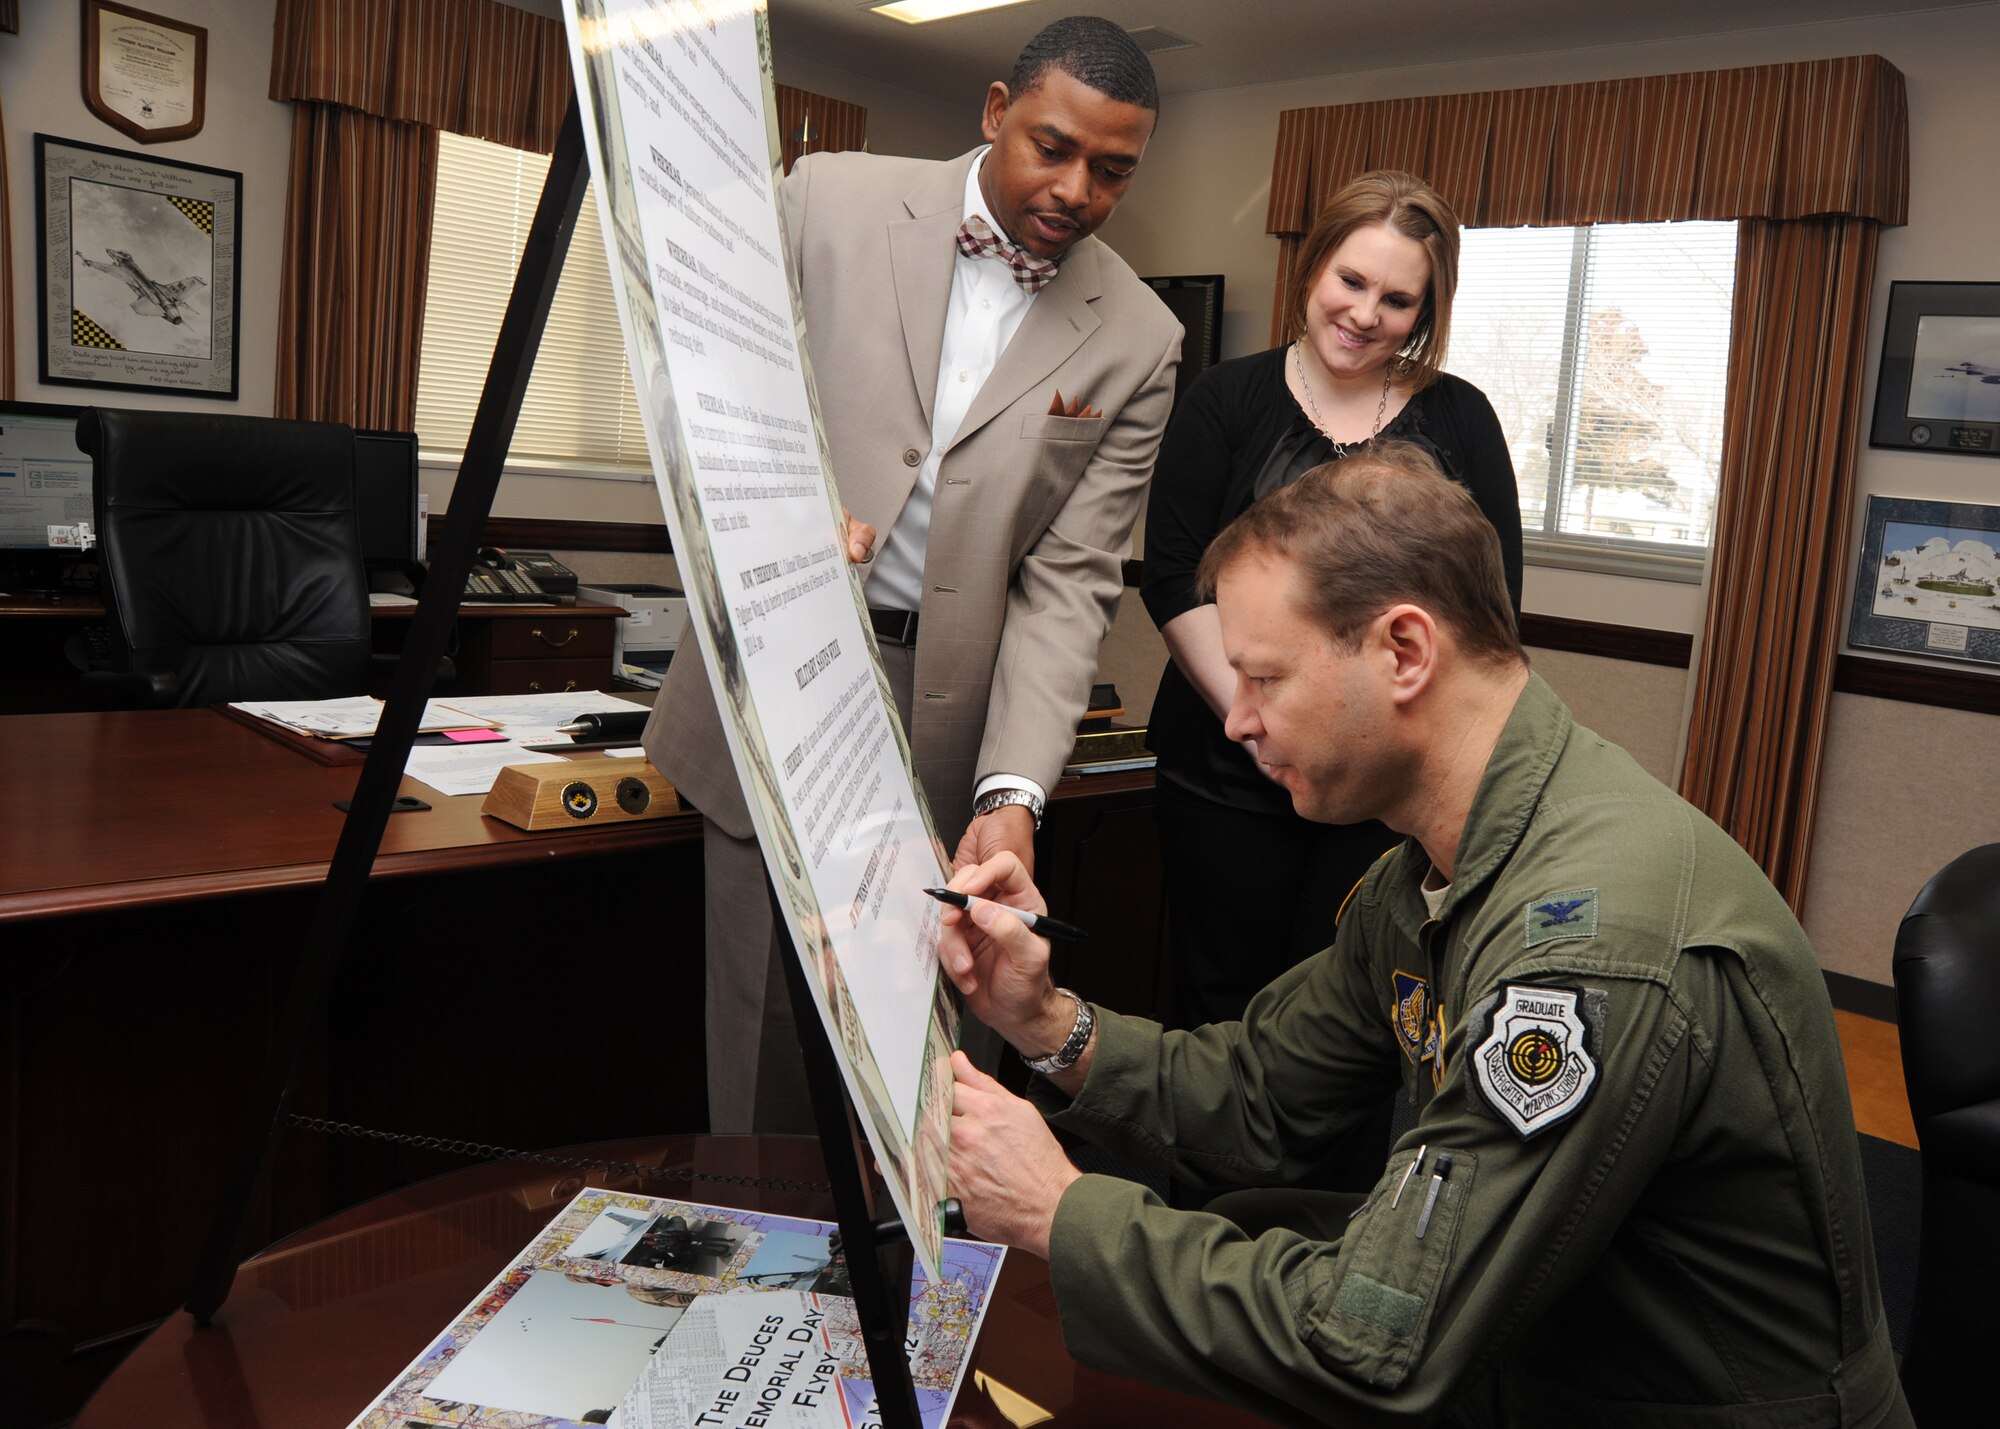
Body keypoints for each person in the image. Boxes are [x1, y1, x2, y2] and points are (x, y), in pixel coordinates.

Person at [939, 445, 1911, 1425]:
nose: (1236, 720)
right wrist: (1042, 1019)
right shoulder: (1427, 868)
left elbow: (1372, 1345)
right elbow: (1259, 1095)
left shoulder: (1587, 948)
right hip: (1553, 1354)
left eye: (1263, 677)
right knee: (1248, 1232)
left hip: (1674, 1404)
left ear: (1404, 651)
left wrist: (1061, 1212)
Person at [641, 16, 1183, 1133]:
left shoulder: (1141, 337)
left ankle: (911, 1255)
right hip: (780, 681)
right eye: (1051, 148)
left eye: (1112, 170)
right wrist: (774, 504)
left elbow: (1069, 584)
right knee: (766, 1048)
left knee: (926, 1065)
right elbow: (698, 374)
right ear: (995, 111)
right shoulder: (825, 199)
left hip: (950, 727)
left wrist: (1011, 795)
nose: (1076, 190)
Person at [1143, 170, 1522, 1032]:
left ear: (1425, 311)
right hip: (1225, 771)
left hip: (1386, 788)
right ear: (1314, 267)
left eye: (1397, 299)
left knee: (1354, 1022)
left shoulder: (1461, 418)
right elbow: (1173, 577)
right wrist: (1262, 725)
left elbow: (1492, 610)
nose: (1364, 313)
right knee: (1221, 1009)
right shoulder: (1224, 399)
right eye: (1351, 280)